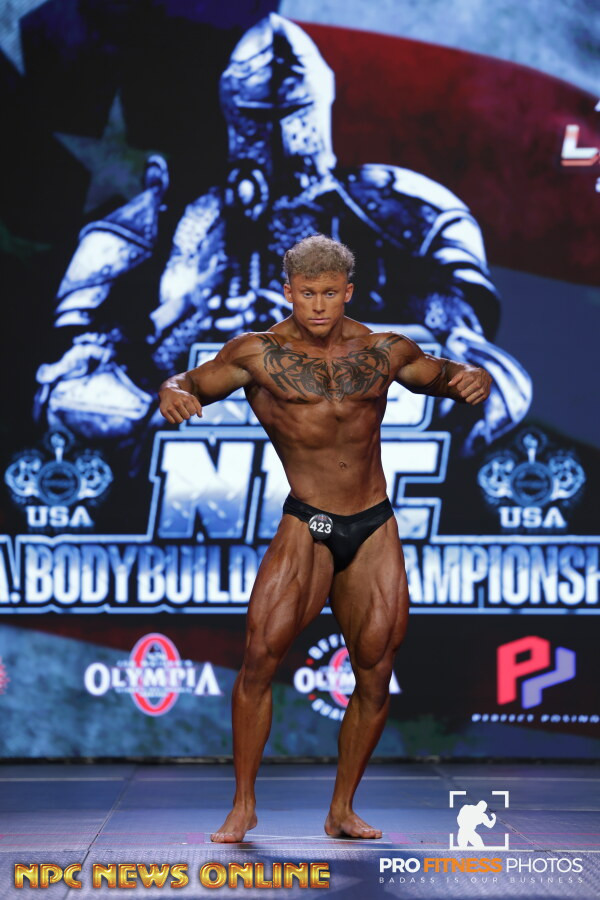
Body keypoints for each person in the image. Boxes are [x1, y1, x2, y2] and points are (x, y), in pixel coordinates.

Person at [158, 234, 492, 842]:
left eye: (330, 294)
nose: (318, 305)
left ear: (349, 292)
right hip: (309, 522)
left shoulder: (384, 350)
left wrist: (474, 376)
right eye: (307, 293)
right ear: (288, 291)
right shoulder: (257, 354)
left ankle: (341, 809)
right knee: (260, 660)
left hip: (374, 523)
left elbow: (443, 374)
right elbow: (189, 381)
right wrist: (172, 393)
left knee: (375, 670)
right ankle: (243, 805)